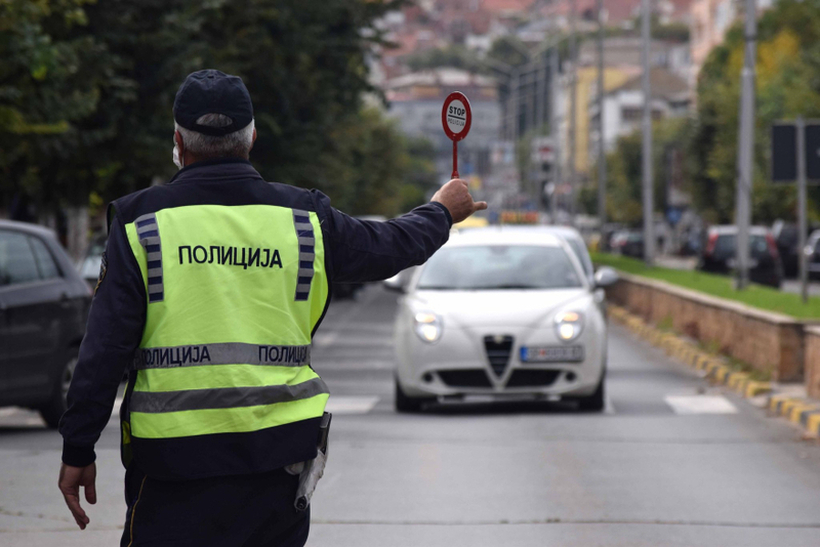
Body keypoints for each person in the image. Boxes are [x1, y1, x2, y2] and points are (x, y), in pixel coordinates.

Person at [57, 69, 486, 546]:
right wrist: (442, 210)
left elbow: (103, 348)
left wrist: (78, 445)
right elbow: (388, 247)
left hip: (172, 467)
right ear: (252, 137)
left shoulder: (141, 224)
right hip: (277, 463)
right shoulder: (304, 219)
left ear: (178, 141)